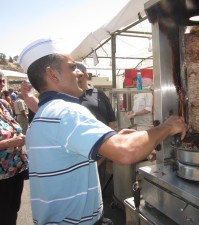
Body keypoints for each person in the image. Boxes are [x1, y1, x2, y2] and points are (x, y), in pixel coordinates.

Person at [18, 38, 186, 225]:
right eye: (72, 67)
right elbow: (126, 152)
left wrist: (109, 142)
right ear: (52, 74)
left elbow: (76, 164)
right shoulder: (66, 112)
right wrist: (168, 126)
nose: (79, 73)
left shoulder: (42, 116)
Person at [0, 69, 28, 225]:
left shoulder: (4, 104)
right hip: (1, 175)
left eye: (2, 80)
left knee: (13, 210)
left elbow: (13, 127)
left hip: (16, 168)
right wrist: (10, 143)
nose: (2, 84)